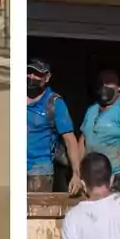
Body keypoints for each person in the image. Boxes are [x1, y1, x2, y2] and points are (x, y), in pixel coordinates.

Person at [27, 58, 84, 196]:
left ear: (47, 78)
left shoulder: (54, 103)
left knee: (35, 213)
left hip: (39, 170)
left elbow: (70, 140)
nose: (31, 77)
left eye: (37, 74)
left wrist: (76, 174)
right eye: (29, 72)